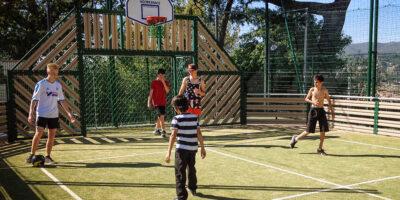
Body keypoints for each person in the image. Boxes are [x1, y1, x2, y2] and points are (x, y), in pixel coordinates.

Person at [26, 63, 76, 164]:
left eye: (56, 70)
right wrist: (30, 113)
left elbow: (62, 100)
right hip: (42, 114)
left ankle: (48, 156)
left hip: (53, 115)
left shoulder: (58, 85)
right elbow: (34, 100)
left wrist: (69, 114)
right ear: (48, 71)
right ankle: (31, 155)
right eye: (53, 69)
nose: (55, 71)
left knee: (52, 135)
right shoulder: (41, 84)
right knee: (39, 133)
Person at [165, 95, 206, 200]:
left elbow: (173, 135)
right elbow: (199, 133)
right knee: (191, 168)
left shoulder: (176, 119)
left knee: (180, 172)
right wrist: (202, 147)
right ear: (187, 106)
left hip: (181, 150)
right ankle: (193, 188)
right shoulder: (194, 117)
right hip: (193, 149)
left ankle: (181, 196)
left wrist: (168, 152)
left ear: (177, 108)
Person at [290, 74, 334, 156]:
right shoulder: (312, 89)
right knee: (308, 131)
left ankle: (320, 149)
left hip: (321, 111)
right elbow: (306, 99)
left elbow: (328, 100)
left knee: (323, 131)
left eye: (316, 82)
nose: (315, 83)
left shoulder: (325, 90)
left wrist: (332, 112)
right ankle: (295, 139)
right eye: (314, 82)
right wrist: (313, 102)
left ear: (321, 82)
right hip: (313, 111)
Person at [148, 68, 170, 137]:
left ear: (164, 75)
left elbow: (167, 91)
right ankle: (163, 131)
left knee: (160, 116)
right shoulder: (154, 82)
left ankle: (156, 129)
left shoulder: (166, 82)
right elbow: (151, 93)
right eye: (159, 75)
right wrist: (149, 102)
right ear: (157, 75)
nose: (161, 76)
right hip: (156, 103)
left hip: (163, 102)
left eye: (162, 75)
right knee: (162, 116)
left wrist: (163, 82)